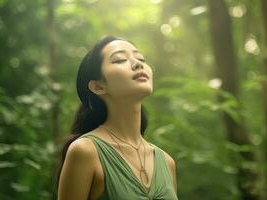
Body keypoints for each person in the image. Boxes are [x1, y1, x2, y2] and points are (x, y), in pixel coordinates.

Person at [57, 36, 178, 200]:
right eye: (120, 60)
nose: (138, 63)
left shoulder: (167, 162)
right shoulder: (86, 151)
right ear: (98, 86)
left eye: (141, 58)